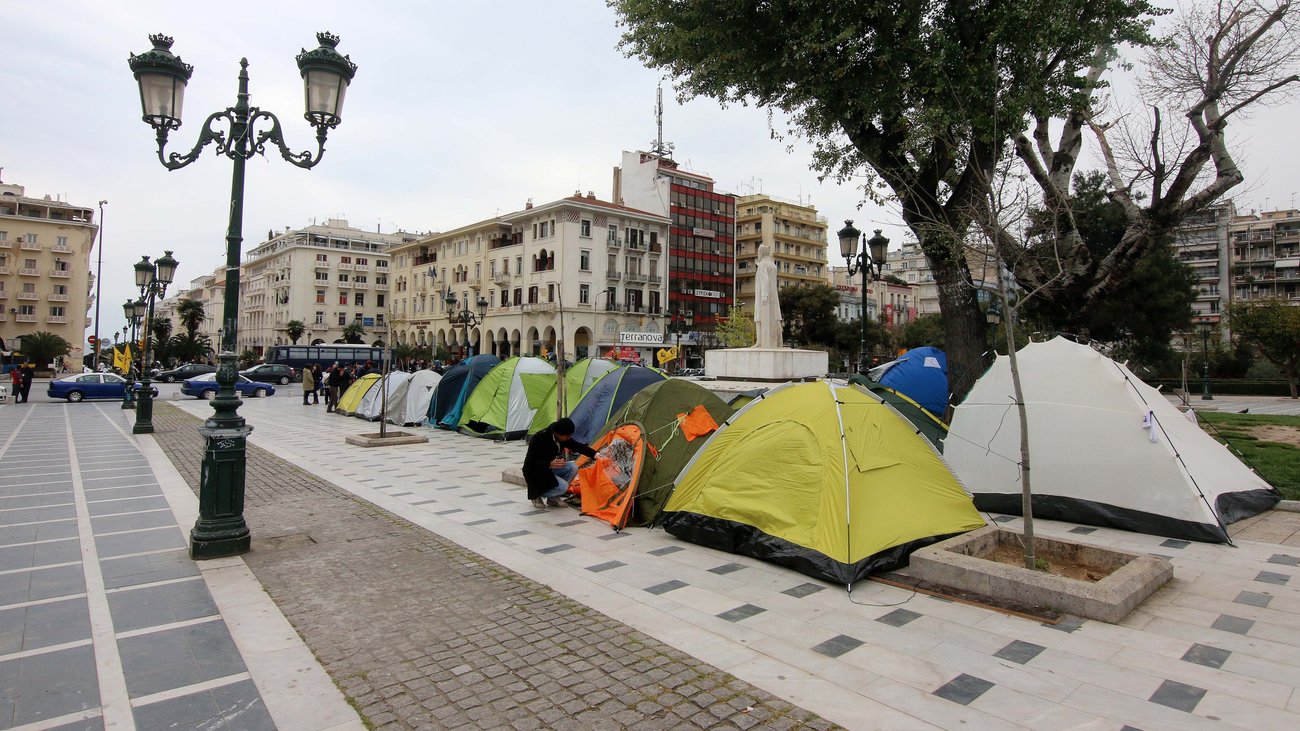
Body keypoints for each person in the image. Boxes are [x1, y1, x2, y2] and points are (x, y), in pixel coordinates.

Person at [522, 418, 597, 509]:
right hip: (536, 473)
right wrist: (548, 464)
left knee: (572, 467)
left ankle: (552, 498)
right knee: (563, 487)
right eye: (567, 436)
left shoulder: (561, 438)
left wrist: (596, 455)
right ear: (558, 433)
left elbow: (578, 446)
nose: (568, 438)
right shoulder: (540, 438)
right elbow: (529, 464)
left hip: (548, 469)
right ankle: (535, 495)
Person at [752, 243, 784, 349]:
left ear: (761, 253)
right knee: (775, 318)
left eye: (758, 252)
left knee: (760, 318)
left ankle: (760, 341)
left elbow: (764, 279)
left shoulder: (762, 265)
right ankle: (778, 342)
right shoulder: (773, 265)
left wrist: (764, 295)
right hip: (773, 295)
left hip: (763, 295)